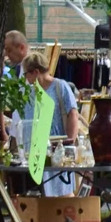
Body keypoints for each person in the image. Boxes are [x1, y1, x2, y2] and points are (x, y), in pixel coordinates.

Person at [20, 51, 79, 197]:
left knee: (63, 194)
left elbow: (73, 113)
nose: (26, 78)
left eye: (26, 74)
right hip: (39, 152)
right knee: (42, 196)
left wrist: (69, 144)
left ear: (36, 72)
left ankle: (71, 218)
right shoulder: (29, 93)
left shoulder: (60, 86)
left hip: (59, 149)